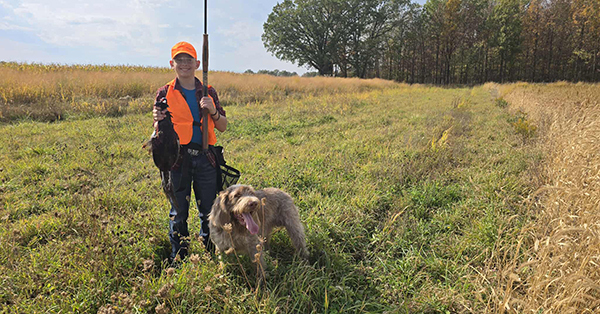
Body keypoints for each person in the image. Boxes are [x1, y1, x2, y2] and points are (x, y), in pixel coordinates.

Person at [152, 41, 227, 263]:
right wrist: (156, 122)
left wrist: (212, 110)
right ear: (171, 63)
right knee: (178, 214)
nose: (184, 64)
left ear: (197, 63)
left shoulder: (208, 91)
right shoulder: (164, 92)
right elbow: (158, 130)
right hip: (176, 161)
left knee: (210, 213)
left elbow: (222, 126)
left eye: (188, 60)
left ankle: (211, 256)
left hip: (206, 159)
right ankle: (179, 259)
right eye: (179, 60)